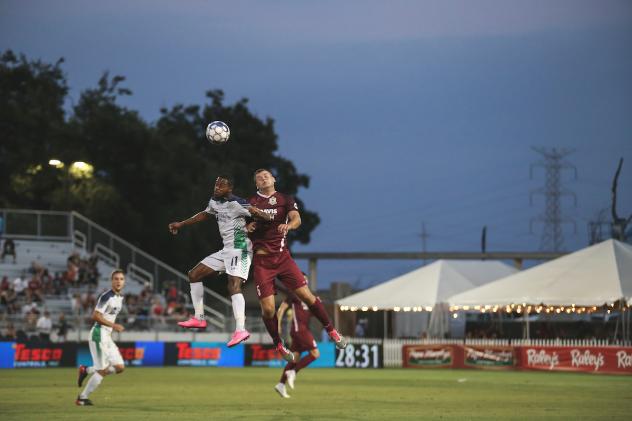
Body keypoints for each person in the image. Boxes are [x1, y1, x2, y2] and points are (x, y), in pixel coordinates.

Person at [247, 168, 347, 362]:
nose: (263, 177)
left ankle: (332, 331)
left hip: (283, 258)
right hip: (262, 261)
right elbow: (240, 225)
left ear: (274, 179)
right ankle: (278, 343)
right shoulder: (250, 202)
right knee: (268, 310)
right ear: (257, 184)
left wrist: (289, 226)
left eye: (267, 175)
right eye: (259, 177)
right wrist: (246, 227)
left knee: (307, 296)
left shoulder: (285, 199)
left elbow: (297, 219)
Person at [168, 175, 272, 347]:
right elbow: (204, 214)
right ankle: (199, 318)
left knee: (233, 285)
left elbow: (264, 217)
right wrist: (181, 224)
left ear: (229, 189)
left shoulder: (238, 203)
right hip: (226, 250)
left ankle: (241, 329)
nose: (216, 188)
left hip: (241, 247)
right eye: (216, 185)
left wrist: (257, 217)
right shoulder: (214, 201)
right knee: (194, 275)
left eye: (221, 186)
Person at [76, 270, 127, 406]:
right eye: (116, 279)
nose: (118, 281)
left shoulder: (120, 298)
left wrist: (111, 330)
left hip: (107, 337)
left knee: (120, 367)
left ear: (124, 282)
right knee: (102, 371)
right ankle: (82, 398)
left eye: (121, 279)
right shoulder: (106, 297)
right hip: (98, 334)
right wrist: (114, 325)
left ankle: (86, 370)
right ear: (111, 281)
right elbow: (96, 316)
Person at [274, 285, 320, 399]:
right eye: (302, 279)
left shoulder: (310, 297)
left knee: (295, 357)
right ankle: (293, 372)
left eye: (305, 280)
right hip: (300, 330)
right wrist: (277, 325)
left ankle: (281, 384)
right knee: (315, 354)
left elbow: (318, 312)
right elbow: (281, 309)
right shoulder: (294, 295)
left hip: (301, 330)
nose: (304, 282)